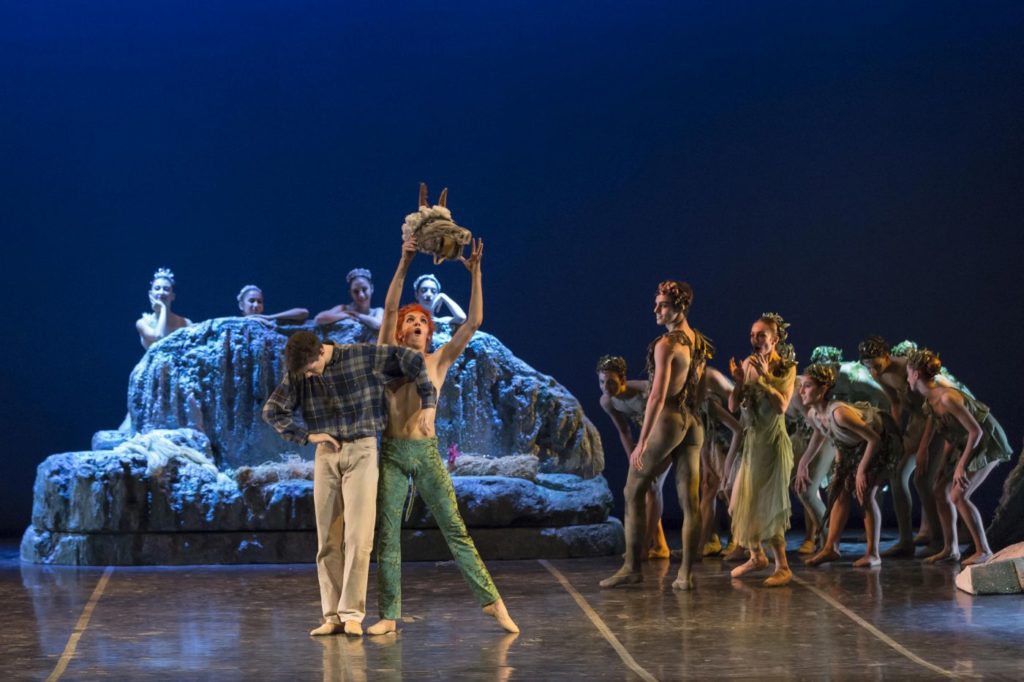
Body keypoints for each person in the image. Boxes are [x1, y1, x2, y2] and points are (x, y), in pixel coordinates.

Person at [366, 233, 518, 636]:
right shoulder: (388, 357)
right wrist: (405, 260)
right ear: (400, 332)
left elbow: (474, 323)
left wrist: (476, 274)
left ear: (429, 333)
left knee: (455, 529)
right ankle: (389, 613)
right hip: (395, 453)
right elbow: (389, 307)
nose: (416, 323)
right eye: (410, 321)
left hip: (426, 454)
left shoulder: (438, 360)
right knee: (388, 534)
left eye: (422, 321)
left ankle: (493, 603)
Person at [262, 331, 437, 637]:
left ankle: (352, 613)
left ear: (320, 352)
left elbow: (411, 359)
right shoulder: (299, 371)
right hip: (326, 454)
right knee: (328, 539)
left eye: (310, 369)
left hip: (362, 450)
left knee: (359, 536)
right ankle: (332, 616)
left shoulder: (361, 356)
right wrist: (307, 436)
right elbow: (273, 410)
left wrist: (428, 404)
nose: (307, 375)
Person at [600, 280, 712, 591]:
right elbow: (701, 390)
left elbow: (657, 396)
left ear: (680, 308)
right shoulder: (697, 341)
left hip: (669, 419)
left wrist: (645, 440)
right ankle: (685, 575)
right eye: (657, 303)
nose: (656, 309)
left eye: (662, 305)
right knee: (689, 500)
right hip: (693, 422)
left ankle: (632, 567)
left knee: (633, 490)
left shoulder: (667, 345)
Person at [907, 349, 1013, 565]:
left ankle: (984, 550)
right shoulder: (931, 400)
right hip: (967, 443)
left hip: (986, 443)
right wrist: (942, 462)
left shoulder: (946, 397)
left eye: (908, 373)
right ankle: (951, 549)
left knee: (958, 495)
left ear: (916, 374)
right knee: (940, 490)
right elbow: (949, 432)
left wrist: (960, 466)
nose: (906, 377)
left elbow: (976, 431)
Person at [796, 363, 903, 567]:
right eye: (802, 385)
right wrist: (804, 462)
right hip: (853, 448)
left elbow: (873, 438)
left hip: (880, 443)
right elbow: (822, 433)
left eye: (807, 386)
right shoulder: (814, 414)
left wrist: (861, 470)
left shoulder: (839, 413)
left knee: (865, 493)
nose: (802, 391)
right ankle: (830, 548)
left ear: (823, 389)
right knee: (839, 492)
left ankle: (873, 553)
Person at [727, 313, 796, 587]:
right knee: (738, 504)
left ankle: (783, 566)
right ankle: (757, 555)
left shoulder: (785, 368)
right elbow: (733, 406)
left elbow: (782, 407)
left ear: (775, 339)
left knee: (769, 505)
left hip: (772, 443)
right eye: (752, 335)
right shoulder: (748, 364)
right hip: (753, 443)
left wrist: (766, 378)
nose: (755, 340)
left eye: (761, 336)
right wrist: (739, 381)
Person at [596, 356, 670, 559]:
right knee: (646, 488)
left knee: (652, 486)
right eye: (602, 382)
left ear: (622, 379)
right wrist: (632, 456)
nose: (606, 387)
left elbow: (664, 417)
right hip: (648, 441)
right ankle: (660, 545)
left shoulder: (644, 391)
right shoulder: (607, 401)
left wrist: (645, 447)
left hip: (669, 435)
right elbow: (624, 431)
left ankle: (644, 546)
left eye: (610, 381)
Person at [696, 366, 742, 557]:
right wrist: (706, 465)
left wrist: (729, 462)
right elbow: (702, 433)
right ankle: (706, 541)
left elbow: (738, 426)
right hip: (712, 441)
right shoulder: (691, 399)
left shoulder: (711, 401)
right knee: (707, 488)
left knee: (729, 490)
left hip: (731, 439)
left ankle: (737, 539)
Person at [136, 267, 192, 349]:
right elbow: (159, 336)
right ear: (150, 294)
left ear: (173, 296)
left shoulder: (186, 323)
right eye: (157, 288)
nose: (161, 292)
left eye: (166, 289)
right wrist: (163, 309)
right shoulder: (142, 323)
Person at [314, 268, 384, 331]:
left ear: (372, 288)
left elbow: (378, 325)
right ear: (350, 293)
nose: (361, 295)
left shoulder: (377, 311)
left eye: (364, 289)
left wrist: (356, 315)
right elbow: (319, 319)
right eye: (356, 291)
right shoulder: (343, 309)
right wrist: (346, 314)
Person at [236, 284, 309, 324]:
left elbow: (304, 313)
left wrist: (269, 317)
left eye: (259, 301)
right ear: (241, 305)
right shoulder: (234, 324)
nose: (256, 305)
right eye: (251, 301)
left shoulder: (270, 323)